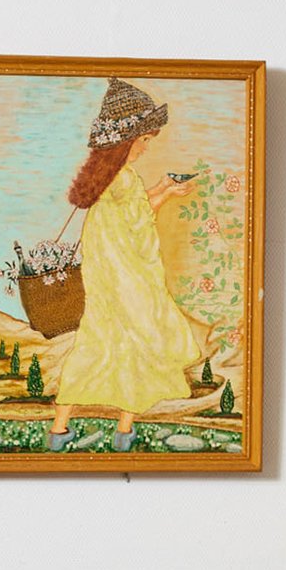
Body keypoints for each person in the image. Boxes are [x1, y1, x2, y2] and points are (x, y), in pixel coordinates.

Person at [49, 78, 200, 453]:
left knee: (98, 347)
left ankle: (60, 429)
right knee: (138, 345)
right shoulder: (125, 178)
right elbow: (139, 219)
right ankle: (123, 432)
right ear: (125, 141)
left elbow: (131, 210)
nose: (146, 148)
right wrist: (167, 194)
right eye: (144, 140)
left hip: (107, 285)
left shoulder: (110, 179)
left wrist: (162, 187)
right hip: (127, 282)